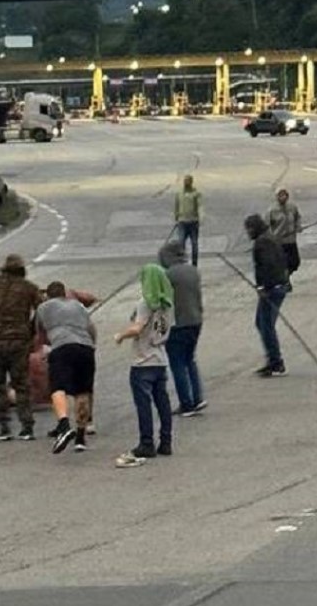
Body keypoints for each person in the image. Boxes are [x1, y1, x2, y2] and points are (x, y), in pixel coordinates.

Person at [114, 264, 175, 468]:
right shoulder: (167, 304)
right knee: (162, 402)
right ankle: (166, 441)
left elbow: (138, 327)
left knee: (144, 404)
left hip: (143, 360)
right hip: (160, 357)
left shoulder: (146, 303)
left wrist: (121, 335)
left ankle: (146, 442)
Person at [0, 254, 41, 441]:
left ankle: (4, 427)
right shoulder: (28, 287)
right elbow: (41, 307)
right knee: (21, 385)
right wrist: (31, 328)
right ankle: (26, 426)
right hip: (18, 341)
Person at [37, 281, 97, 454]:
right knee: (83, 391)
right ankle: (80, 436)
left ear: (48, 295)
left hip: (61, 347)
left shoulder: (43, 307)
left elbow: (40, 335)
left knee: (57, 387)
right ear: (64, 294)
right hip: (85, 348)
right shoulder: (78, 306)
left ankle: (63, 424)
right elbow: (91, 329)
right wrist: (91, 346)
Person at [158, 242, 205, 416]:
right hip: (196, 320)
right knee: (190, 360)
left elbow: (161, 301)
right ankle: (198, 397)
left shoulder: (168, 275)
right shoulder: (193, 270)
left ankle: (186, 403)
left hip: (179, 323)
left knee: (177, 363)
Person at [245, 214, 289, 377]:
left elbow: (267, 266)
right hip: (279, 285)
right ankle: (272, 359)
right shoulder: (271, 237)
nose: (248, 232)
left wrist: (263, 286)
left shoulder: (262, 242)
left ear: (255, 227)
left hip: (272, 289)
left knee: (265, 325)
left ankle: (276, 363)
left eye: (249, 229)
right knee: (262, 323)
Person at [266, 188, 302, 275]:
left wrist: (298, 227)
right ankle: (284, 278)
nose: (283, 197)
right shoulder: (272, 210)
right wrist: (271, 237)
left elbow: (297, 218)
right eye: (280, 195)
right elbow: (267, 226)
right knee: (282, 264)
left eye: (285, 195)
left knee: (295, 262)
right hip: (279, 242)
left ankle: (287, 274)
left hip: (291, 240)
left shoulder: (292, 207)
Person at [174, 174, 202, 266]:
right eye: (185, 181)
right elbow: (176, 206)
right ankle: (181, 262)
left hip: (193, 222)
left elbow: (200, 206)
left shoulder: (196, 193)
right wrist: (176, 217)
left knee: (194, 244)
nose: (186, 183)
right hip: (182, 222)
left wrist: (200, 218)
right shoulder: (179, 193)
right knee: (181, 243)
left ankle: (194, 263)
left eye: (188, 181)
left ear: (191, 182)